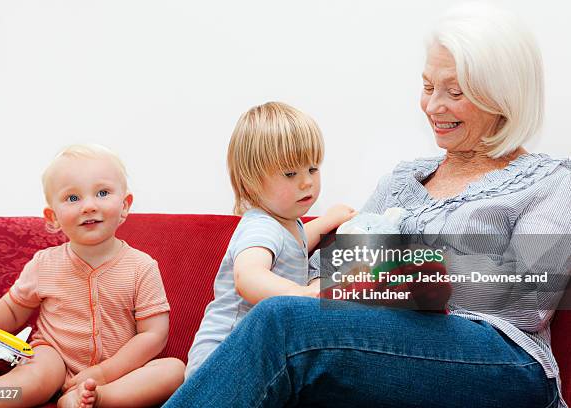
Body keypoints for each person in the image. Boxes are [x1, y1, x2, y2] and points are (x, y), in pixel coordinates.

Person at [164, 4, 570, 408]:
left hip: (500, 360)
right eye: (428, 87)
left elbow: (528, 302)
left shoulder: (553, 181)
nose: (432, 107)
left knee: (282, 322)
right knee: (287, 325)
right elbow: (334, 275)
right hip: (386, 345)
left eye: (455, 92)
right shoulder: (400, 181)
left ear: (503, 94)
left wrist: (406, 269)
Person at [0, 145, 185, 408]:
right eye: (73, 198)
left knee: (175, 370)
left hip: (120, 371)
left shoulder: (141, 267)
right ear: (53, 217)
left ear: (124, 206)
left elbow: (154, 335)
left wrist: (103, 374)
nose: (89, 206)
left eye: (102, 193)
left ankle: (97, 399)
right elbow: (11, 309)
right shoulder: (45, 263)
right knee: (33, 371)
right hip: (53, 358)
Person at [185, 101, 356, 377]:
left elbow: (296, 247)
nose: (307, 182)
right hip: (221, 357)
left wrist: (326, 221)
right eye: (291, 174)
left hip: (252, 354)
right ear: (251, 180)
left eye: (313, 169)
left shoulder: (288, 224)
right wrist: (299, 292)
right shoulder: (260, 227)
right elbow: (248, 276)